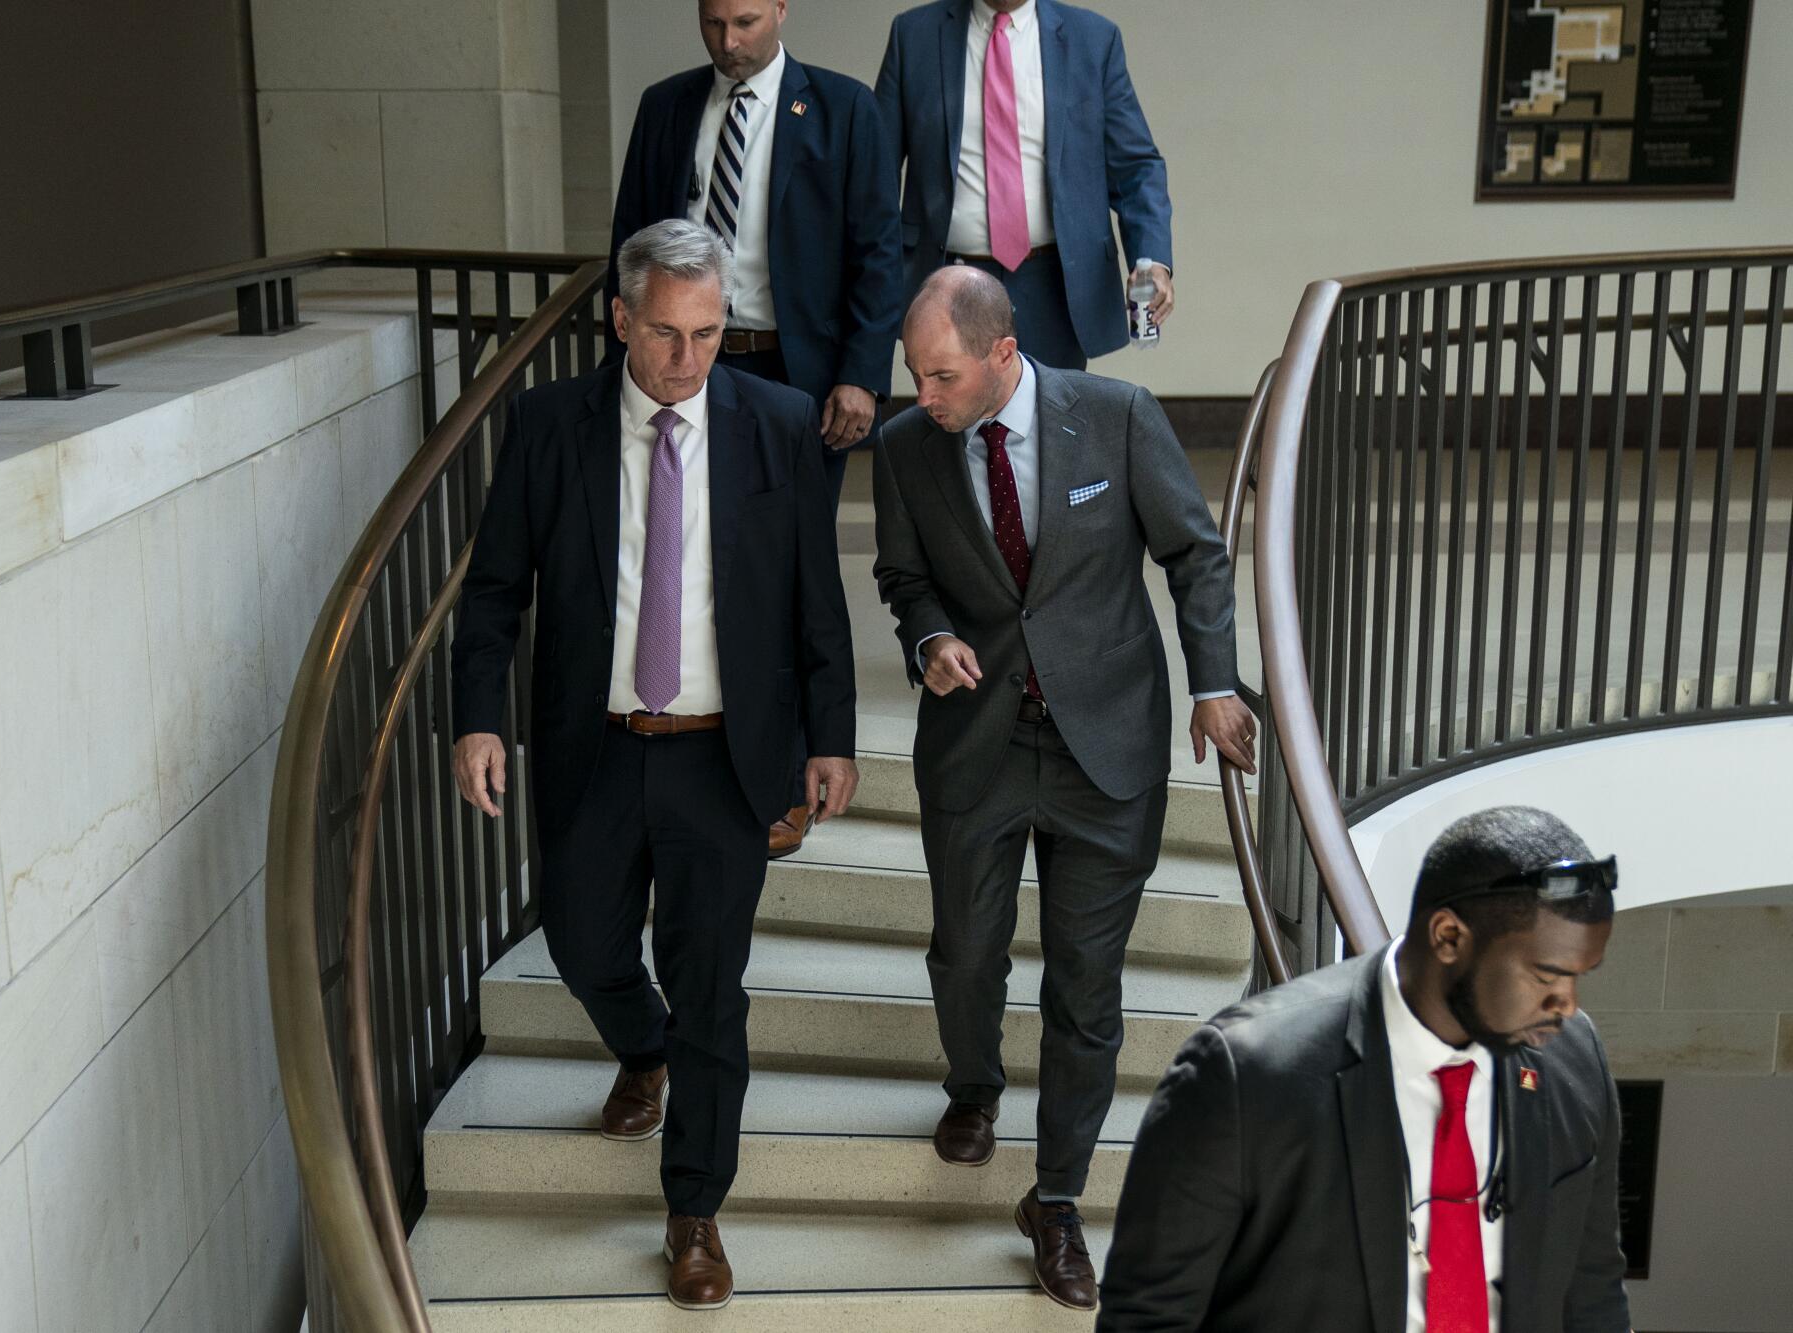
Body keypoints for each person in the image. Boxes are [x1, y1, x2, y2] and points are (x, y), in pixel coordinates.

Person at [449, 219, 858, 1312]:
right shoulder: (547, 426)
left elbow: (814, 600)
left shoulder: (775, 426)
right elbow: (492, 592)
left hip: (724, 758)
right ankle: (642, 1045)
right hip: (595, 748)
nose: (688, 361)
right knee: (582, 940)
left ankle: (693, 1210)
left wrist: (830, 737)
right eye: (668, 334)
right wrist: (478, 719)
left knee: (712, 990)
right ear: (622, 319)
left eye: (711, 333)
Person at [871, 266, 1253, 1311]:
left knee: (1086, 992)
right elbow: (901, 578)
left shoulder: (1116, 416)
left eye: (941, 374)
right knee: (964, 951)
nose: (923, 396)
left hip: (1104, 752)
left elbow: (1193, 553)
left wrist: (1212, 684)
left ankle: (1055, 1199)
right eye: (913, 374)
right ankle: (972, 1087)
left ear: (1001, 355)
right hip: (975, 744)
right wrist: (931, 636)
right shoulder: (907, 448)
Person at [1098, 806, 1632, 1333]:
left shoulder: (1573, 1058)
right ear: (1449, 937)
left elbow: (1593, 1294)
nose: (1567, 1004)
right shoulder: (1247, 1072)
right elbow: (1149, 1317)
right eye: (1547, 975)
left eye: (1579, 977)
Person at [610, 0, 901, 857]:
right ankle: (710, 758)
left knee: (788, 573)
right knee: (689, 558)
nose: (728, 43)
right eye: (712, 24)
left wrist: (859, 374)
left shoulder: (844, 109)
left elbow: (877, 251)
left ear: (780, 8)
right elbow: (628, 241)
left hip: (798, 376)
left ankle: (785, 776)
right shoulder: (667, 106)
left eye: (744, 22)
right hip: (689, 364)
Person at [875, 0, 1175, 371]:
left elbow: (1135, 166)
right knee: (960, 423)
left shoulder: (1093, 39)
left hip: (1055, 281)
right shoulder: (914, 34)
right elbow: (876, 172)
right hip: (950, 279)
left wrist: (1153, 259)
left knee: (1052, 422)